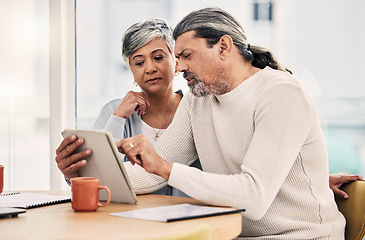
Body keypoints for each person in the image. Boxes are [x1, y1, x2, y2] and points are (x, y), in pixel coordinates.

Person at [115, 8, 361, 239]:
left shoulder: (281, 94)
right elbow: (148, 175)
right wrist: (84, 174)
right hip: (235, 234)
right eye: (177, 58)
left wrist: (166, 168)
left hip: (303, 236)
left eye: (186, 55)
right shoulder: (198, 100)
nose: (178, 68)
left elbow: (253, 197)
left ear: (223, 46)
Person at [55, 18, 200, 196]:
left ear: (176, 61)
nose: (150, 68)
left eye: (158, 57)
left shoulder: (196, 108)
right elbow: (96, 176)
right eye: (139, 63)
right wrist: (118, 118)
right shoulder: (113, 111)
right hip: (129, 217)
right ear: (131, 70)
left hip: (189, 216)